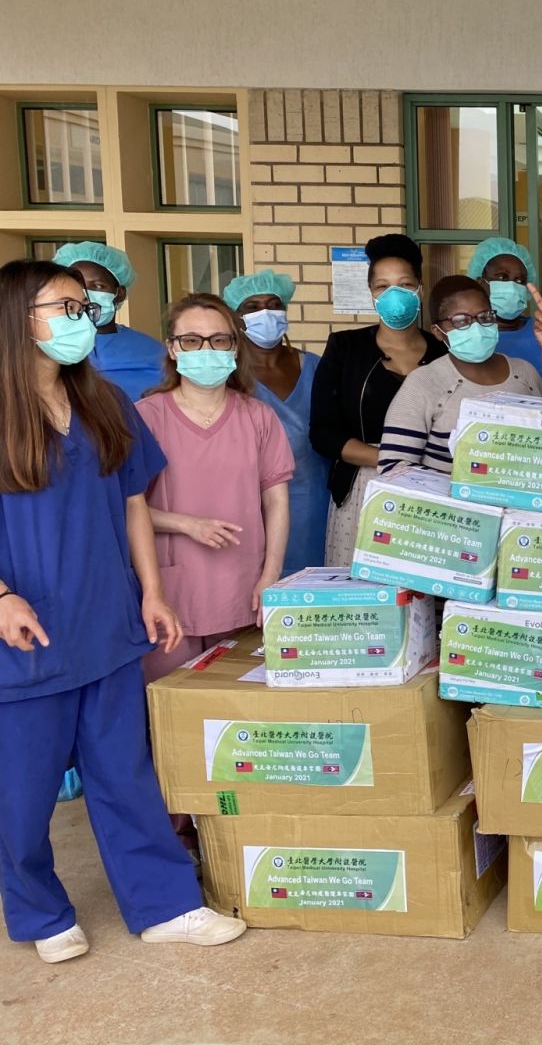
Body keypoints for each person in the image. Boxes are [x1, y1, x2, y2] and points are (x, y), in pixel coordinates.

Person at [0, 259, 248, 962]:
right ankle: (41, 915)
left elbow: (135, 501)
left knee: (124, 773)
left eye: (83, 307)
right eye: (65, 307)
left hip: (106, 621)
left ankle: (165, 904)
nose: (81, 319)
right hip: (25, 633)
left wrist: (151, 592)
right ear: (18, 318)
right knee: (22, 792)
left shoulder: (101, 400)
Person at [138, 294, 293, 685]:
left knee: (235, 706)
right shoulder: (146, 418)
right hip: (172, 594)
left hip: (243, 589)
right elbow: (125, 505)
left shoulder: (258, 417)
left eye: (219, 340)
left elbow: (276, 501)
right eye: (192, 340)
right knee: (172, 706)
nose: (206, 350)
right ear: (173, 349)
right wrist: (187, 524)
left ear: (234, 348)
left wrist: (270, 575)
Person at [310, 236, 446, 567]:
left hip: (432, 488)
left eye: (405, 284)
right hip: (364, 486)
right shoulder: (345, 348)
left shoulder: (443, 353)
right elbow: (323, 433)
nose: (393, 294)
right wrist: (391, 461)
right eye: (382, 286)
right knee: (364, 588)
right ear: (371, 294)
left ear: (420, 289)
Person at [379, 274, 542, 473]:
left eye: (485, 317)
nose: (476, 327)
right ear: (437, 331)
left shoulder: (524, 372)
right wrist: (463, 485)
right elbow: (393, 467)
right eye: (461, 321)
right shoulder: (423, 383)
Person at [224, 269, 330, 575]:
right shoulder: (228, 374)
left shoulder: (315, 366)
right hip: (251, 504)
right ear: (236, 317)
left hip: (316, 500)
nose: (265, 313)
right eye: (252, 307)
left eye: (274, 305)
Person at [52, 241, 166, 402]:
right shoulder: (51, 347)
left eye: (98, 286)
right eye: (77, 285)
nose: (86, 295)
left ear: (119, 293)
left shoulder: (152, 352)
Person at [466, 237, 542, 379]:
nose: (512, 286)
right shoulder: (466, 337)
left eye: (520, 280)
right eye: (502, 277)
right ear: (480, 283)